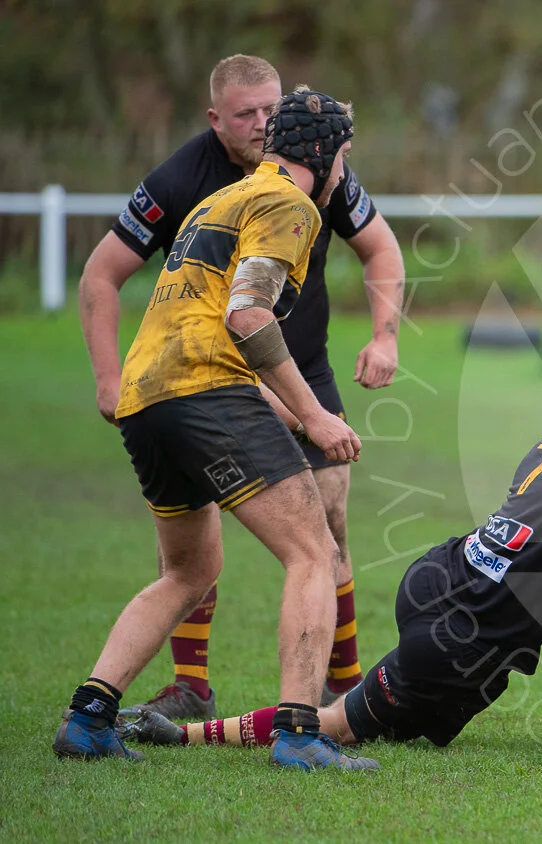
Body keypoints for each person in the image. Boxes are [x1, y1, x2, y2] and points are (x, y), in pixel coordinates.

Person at [78, 54, 405, 719]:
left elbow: (220, 320)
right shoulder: (286, 204)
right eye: (342, 159)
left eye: (268, 111)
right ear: (323, 156)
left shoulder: (224, 198)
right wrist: (313, 416)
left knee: (186, 572)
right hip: (214, 386)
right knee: (314, 552)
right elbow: (249, 315)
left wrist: (305, 401)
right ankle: (299, 729)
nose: (345, 172)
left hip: (152, 390)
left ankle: (88, 715)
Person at [114, 425, 542, 755]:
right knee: (344, 726)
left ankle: (369, 698)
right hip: (466, 635)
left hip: (438, 573)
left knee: (406, 727)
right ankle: (183, 735)